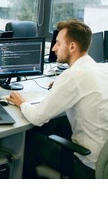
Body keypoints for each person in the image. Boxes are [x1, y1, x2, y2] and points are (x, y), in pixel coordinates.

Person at [7, 19, 108, 178]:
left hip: (88, 167)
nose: (54, 48)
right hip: (105, 162)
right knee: (57, 125)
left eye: (58, 43)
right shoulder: (102, 69)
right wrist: (62, 84)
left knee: (30, 140)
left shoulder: (72, 76)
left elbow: (36, 117)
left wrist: (22, 102)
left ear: (72, 46)